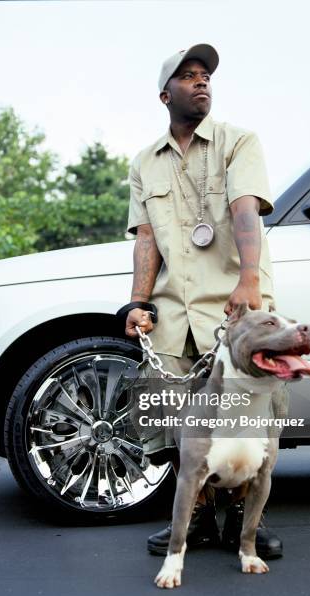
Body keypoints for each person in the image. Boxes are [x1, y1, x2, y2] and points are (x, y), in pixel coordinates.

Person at [119, 43, 282, 559]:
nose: (201, 82)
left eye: (205, 75)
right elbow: (147, 237)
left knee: (248, 416)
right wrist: (137, 303)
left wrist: (250, 279)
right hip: (176, 311)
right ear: (165, 95)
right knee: (175, 417)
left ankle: (242, 519)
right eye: (188, 77)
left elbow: (244, 208)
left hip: (236, 309)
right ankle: (192, 517)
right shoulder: (145, 162)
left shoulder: (238, 142)